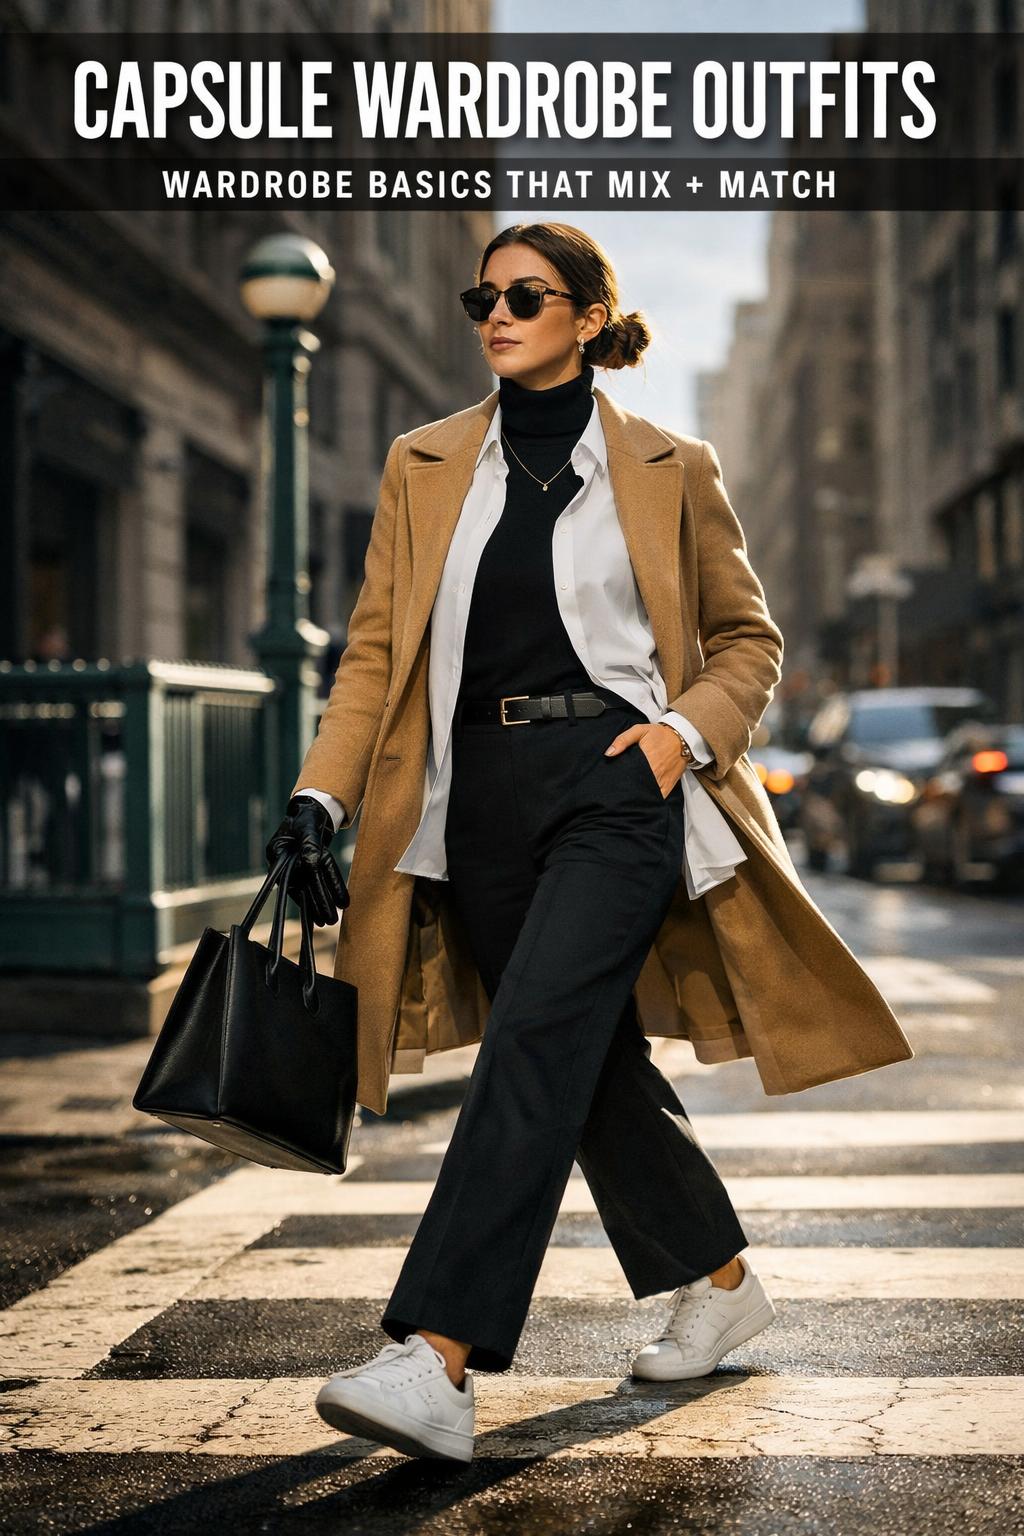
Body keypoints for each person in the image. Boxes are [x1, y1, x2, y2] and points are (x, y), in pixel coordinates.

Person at [266, 222, 781, 1464]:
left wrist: (676, 738)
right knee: (578, 1058)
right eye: (481, 295)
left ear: (589, 319)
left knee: (535, 1048)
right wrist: (321, 797)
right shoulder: (425, 460)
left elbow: (745, 645)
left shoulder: (669, 464)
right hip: (476, 800)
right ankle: (717, 1283)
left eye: (525, 295)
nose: (494, 313)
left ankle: (435, 1355)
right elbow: (377, 651)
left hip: (615, 784)